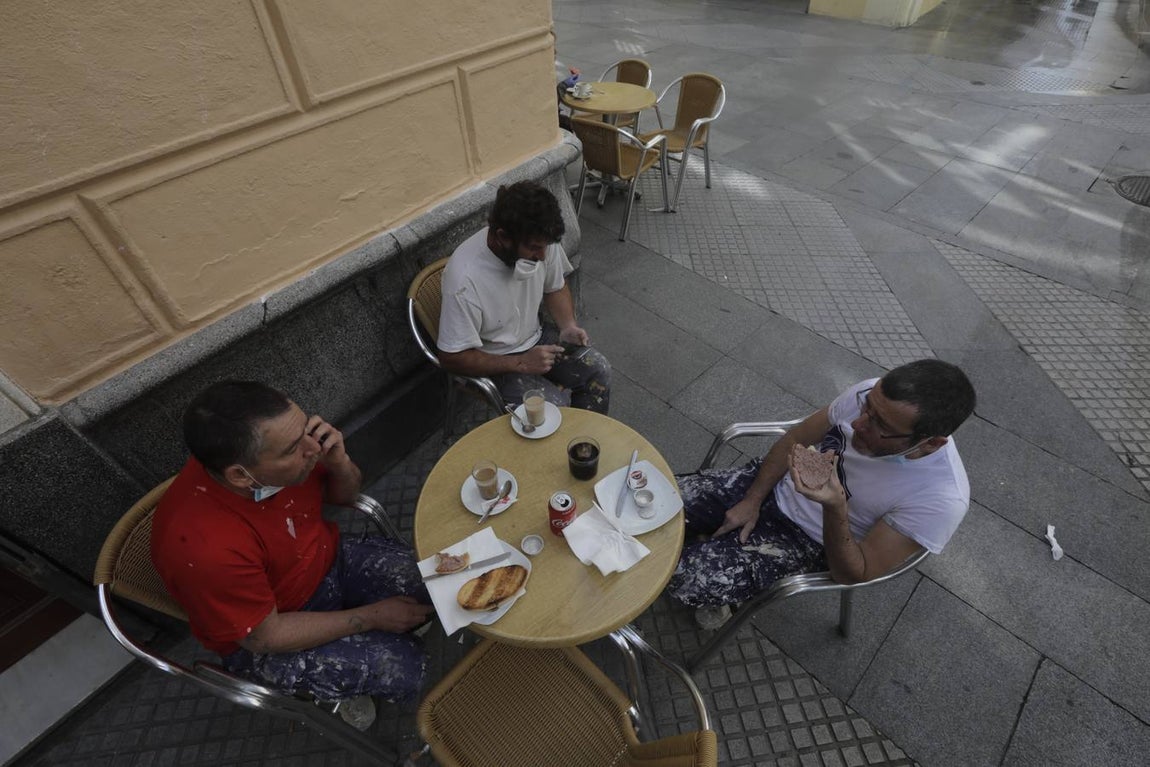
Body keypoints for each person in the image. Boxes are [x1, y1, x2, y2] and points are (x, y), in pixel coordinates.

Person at [151, 381, 434, 728]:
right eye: (293, 448)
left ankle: (368, 636)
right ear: (240, 476)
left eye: (306, 431)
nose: (313, 449)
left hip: (326, 561)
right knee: (405, 667)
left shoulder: (285, 455)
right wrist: (371, 617)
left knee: (433, 580)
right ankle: (342, 687)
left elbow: (345, 496)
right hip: (270, 631)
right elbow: (265, 636)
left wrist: (340, 462)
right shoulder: (204, 547)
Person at [668, 359, 976, 619]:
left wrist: (835, 506)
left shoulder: (941, 498)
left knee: (681, 577)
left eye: (880, 426)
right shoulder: (873, 397)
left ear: (932, 443)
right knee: (661, 502)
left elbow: (855, 573)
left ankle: (712, 554)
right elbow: (796, 438)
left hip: (810, 540)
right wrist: (753, 498)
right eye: (866, 407)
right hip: (776, 483)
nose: (858, 424)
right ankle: (708, 540)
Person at [436, 180, 611, 413]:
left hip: (535, 337)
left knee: (598, 371)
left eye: (545, 247)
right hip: (495, 358)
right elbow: (452, 357)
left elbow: (555, 286)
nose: (543, 255)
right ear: (503, 237)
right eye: (535, 248)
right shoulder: (464, 279)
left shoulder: (539, 239)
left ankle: (583, 435)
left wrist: (568, 325)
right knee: (550, 410)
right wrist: (520, 362)